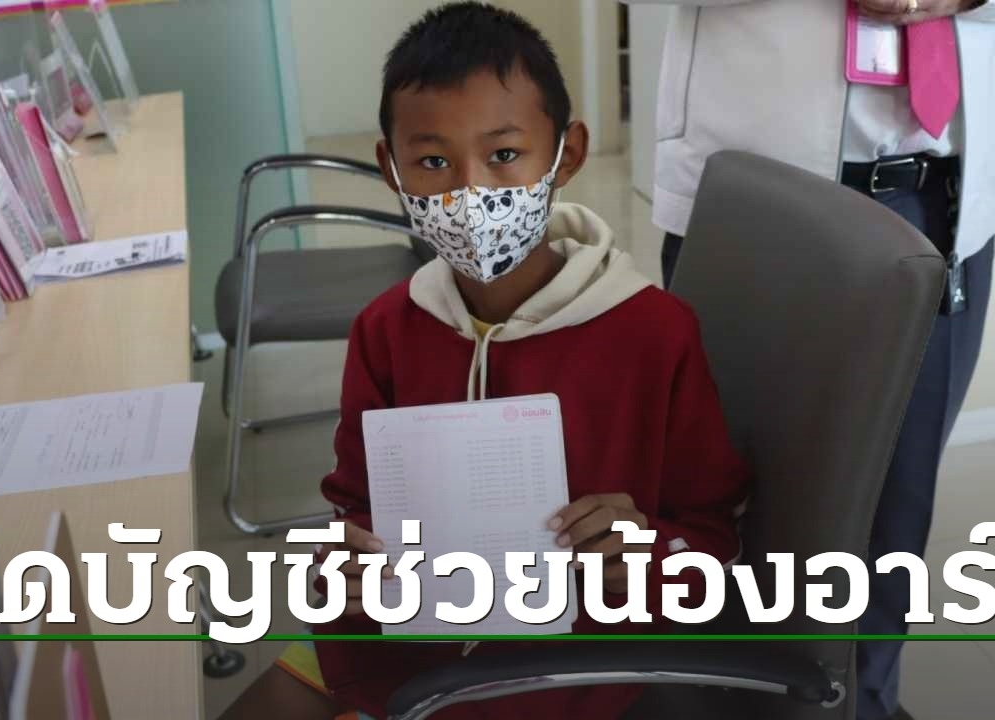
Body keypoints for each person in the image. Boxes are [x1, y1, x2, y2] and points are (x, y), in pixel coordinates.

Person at [221, 3, 749, 719]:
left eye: (504, 155)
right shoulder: (386, 330)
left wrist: (646, 556)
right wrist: (346, 562)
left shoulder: (655, 333)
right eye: (433, 162)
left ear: (566, 153)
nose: (470, 193)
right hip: (401, 639)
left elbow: (715, 536)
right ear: (390, 168)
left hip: (571, 662)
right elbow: (356, 505)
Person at [623, 0, 995, 718]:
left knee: (896, 500)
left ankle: (869, 701)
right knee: (732, 499)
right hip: (760, 199)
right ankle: (739, 699)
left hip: (938, 199)